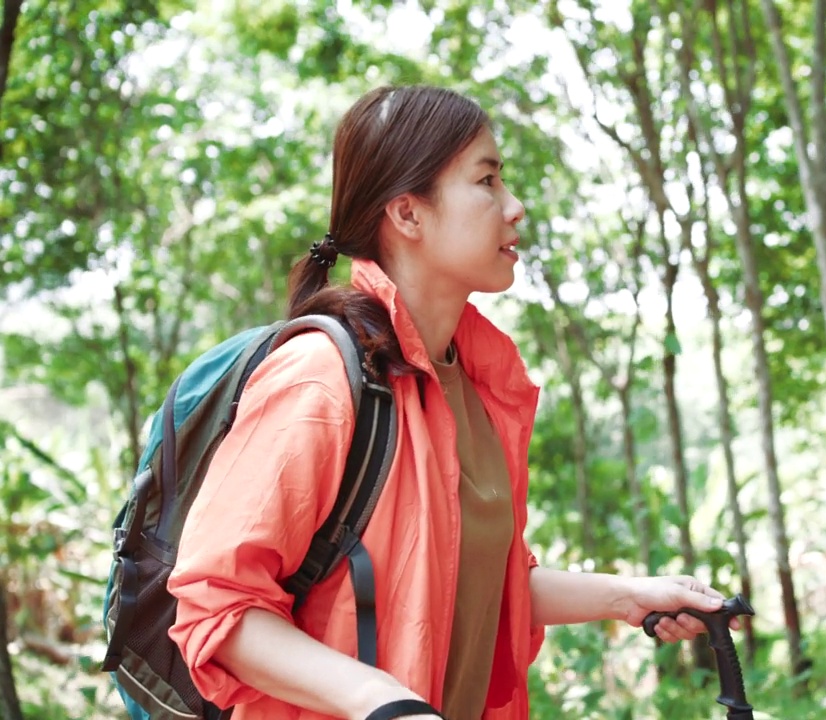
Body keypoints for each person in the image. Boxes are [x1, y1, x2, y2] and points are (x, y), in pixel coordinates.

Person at [166, 84, 728, 720]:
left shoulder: (475, 381)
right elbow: (219, 604)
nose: (515, 208)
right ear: (408, 214)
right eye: (487, 180)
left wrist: (627, 596)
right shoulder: (320, 379)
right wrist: (379, 700)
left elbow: (475, 583)